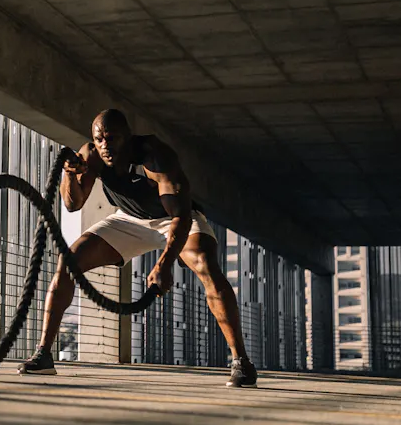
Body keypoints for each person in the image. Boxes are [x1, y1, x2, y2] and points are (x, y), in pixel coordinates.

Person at [17, 109, 257, 388]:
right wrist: (70, 175)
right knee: (68, 262)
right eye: (100, 139)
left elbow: (180, 216)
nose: (105, 145)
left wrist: (164, 264)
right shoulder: (92, 154)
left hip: (174, 219)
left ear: (128, 138)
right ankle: (44, 355)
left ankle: (241, 361)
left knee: (206, 265)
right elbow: (73, 204)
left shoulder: (155, 157)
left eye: (112, 138)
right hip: (129, 219)